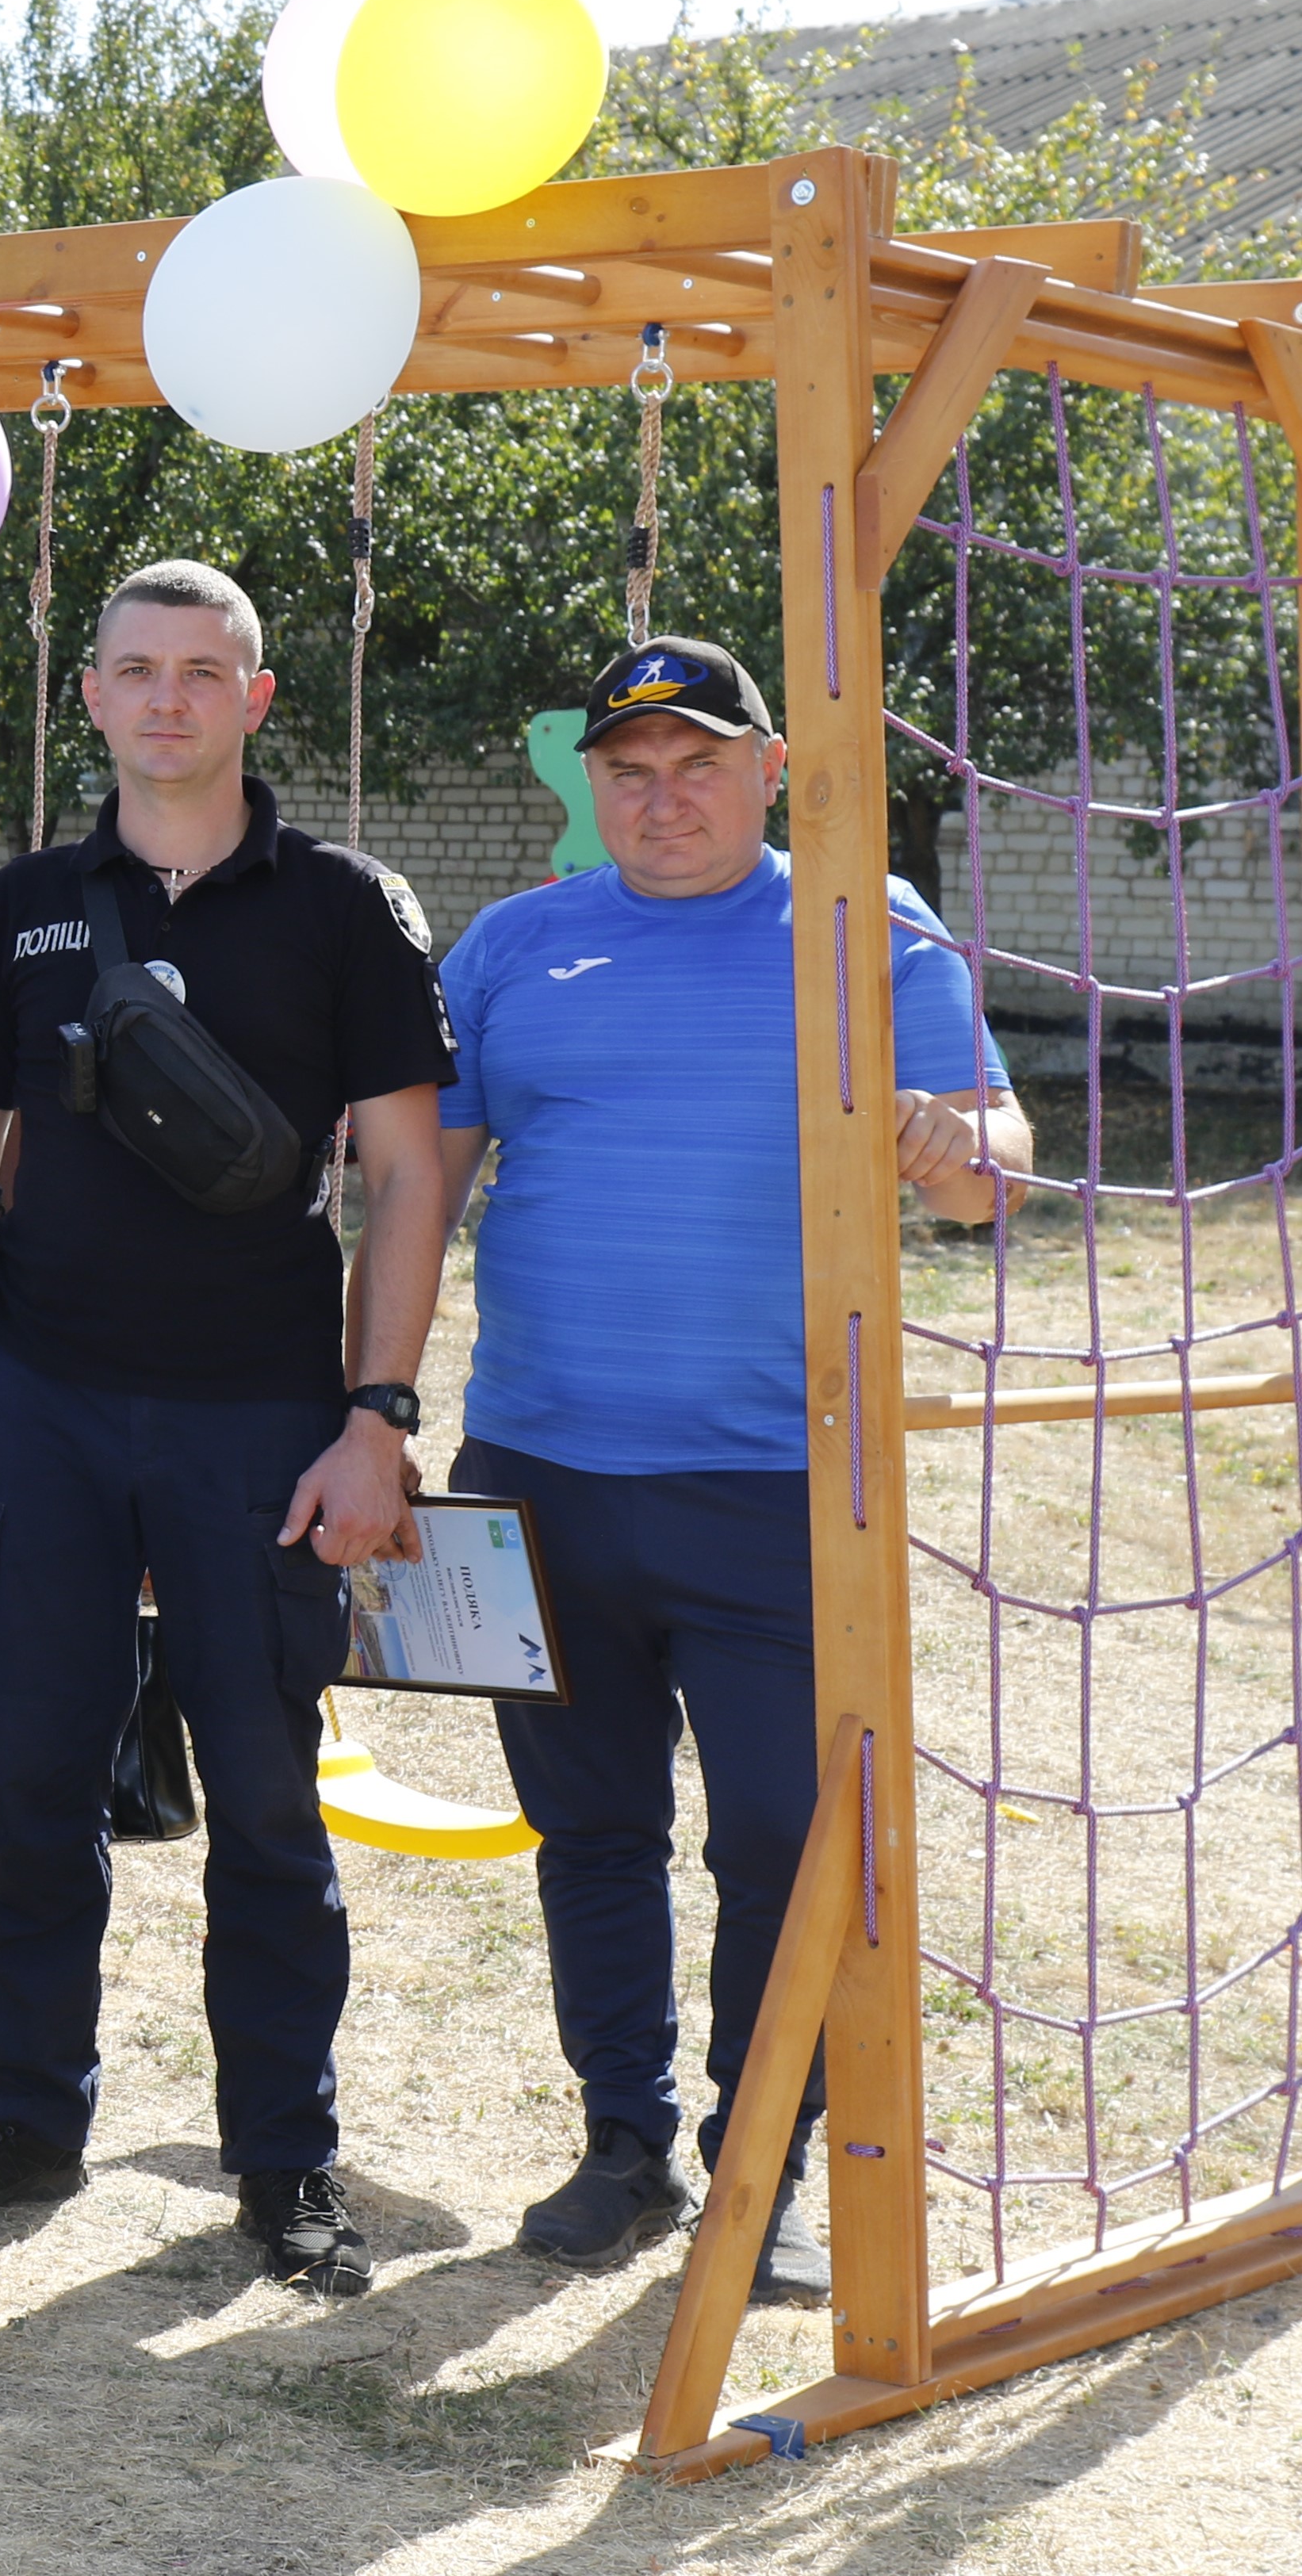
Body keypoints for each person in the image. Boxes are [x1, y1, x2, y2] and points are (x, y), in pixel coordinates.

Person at [0, 559, 457, 2300]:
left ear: (258, 699)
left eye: (205, 673)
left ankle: (285, 2159)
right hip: (42, 1407)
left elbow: (413, 1171)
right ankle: (27, 2120)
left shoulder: (344, 906)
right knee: (38, 1779)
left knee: (269, 1804)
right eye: (138, 671)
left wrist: (380, 1417)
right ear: (100, 698)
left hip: (262, 1420)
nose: (170, 701)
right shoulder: (27, 906)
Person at [435, 637, 1027, 2302]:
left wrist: (960, 1144)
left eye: (699, 762)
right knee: (591, 1827)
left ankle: (758, 2162)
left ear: (774, 770)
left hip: (781, 1490)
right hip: (537, 1473)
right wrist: (367, 1402)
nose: (663, 795)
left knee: (782, 1835)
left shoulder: (866, 927)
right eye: (630, 767)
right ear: (589, 785)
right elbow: (416, 1186)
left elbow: (994, 1160)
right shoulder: (513, 947)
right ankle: (620, 2140)